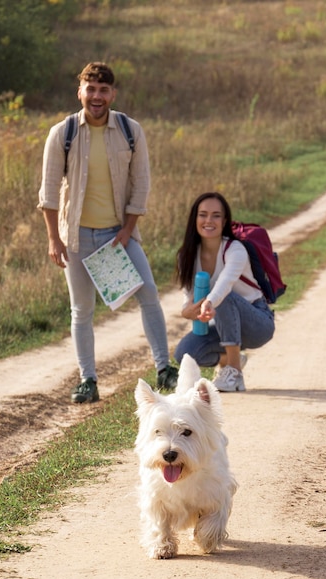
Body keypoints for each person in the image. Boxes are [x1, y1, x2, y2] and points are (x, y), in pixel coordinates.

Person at [37, 61, 178, 403]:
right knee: (82, 310)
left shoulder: (131, 130)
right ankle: (88, 380)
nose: (96, 96)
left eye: (103, 90)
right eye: (91, 89)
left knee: (149, 295)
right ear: (80, 92)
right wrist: (54, 239)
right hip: (77, 239)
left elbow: (141, 183)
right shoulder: (63, 132)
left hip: (119, 235)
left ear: (113, 94)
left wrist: (128, 230)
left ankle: (164, 369)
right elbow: (49, 191)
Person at [174, 192, 275, 392]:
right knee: (184, 353)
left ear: (225, 220)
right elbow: (188, 299)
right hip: (222, 324)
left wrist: (209, 303)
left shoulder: (235, 249)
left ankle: (234, 373)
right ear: (195, 219)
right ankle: (231, 358)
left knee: (225, 298)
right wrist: (187, 311)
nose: (208, 220)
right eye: (203, 215)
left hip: (257, 323)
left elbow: (224, 285)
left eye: (216, 215)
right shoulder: (186, 256)